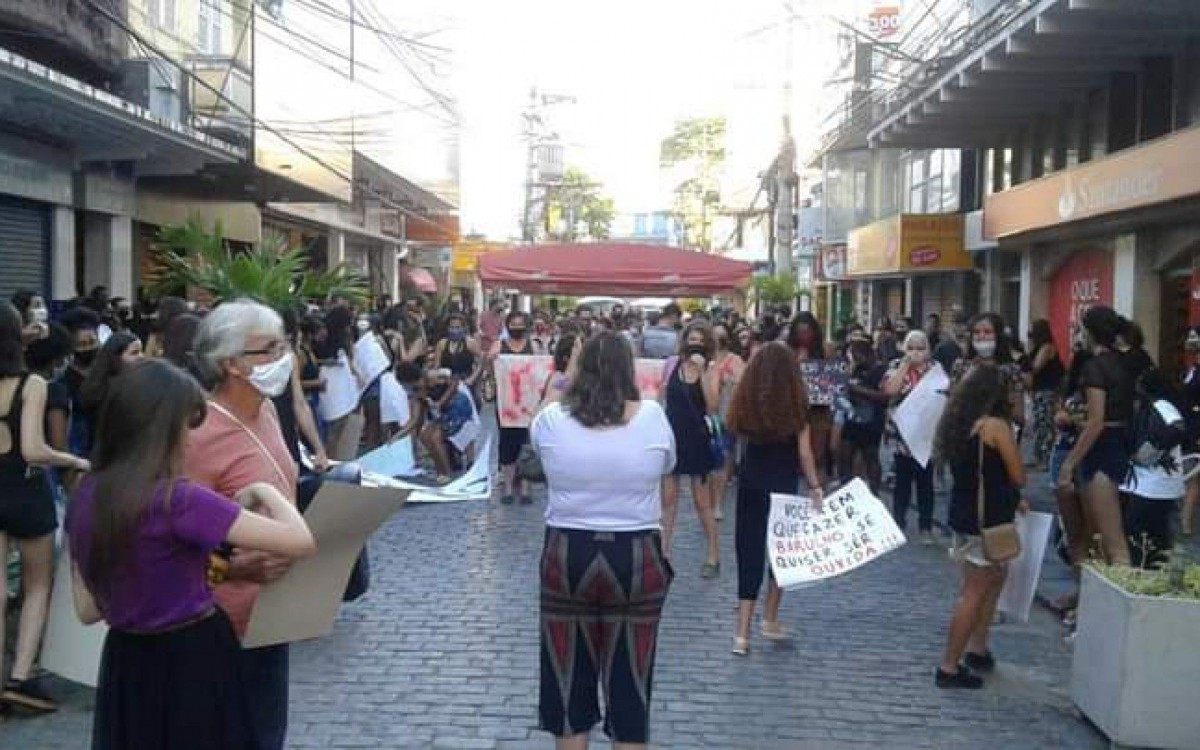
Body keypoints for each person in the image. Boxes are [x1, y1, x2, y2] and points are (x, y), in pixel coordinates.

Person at [65, 359, 315, 749]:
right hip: (195, 657)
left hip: (128, 663)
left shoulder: (87, 495)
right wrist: (264, 492)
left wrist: (219, 549)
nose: (189, 441)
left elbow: (88, 609)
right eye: (185, 428)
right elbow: (300, 540)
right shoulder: (179, 500)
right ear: (163, 432)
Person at [530, 332, 675, 749]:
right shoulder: (651, 417)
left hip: (567, 554)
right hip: (634, 554)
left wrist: (565, 376)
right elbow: (668, 465)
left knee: (567, 685)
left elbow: (535, 432)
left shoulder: (554, 421)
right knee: (631, 687)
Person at [186, 300, 303, 750]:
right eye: (270, 349)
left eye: (283, 345)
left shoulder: (268, 412)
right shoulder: (197, 435)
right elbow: (176, 548)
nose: (284, 357)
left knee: (267, 733)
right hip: (222, 624)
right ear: (231, 364)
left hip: (275, 613)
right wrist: (238, 570)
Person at [0, 302, 91, 712]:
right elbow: (35, 450)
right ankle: (21, 677)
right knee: (38, 587)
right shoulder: (32, 383)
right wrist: (74, 460)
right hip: (27, 491)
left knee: (0, 591)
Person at [725, 342, 823, 655]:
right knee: (781, 554)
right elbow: (805, 453)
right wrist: (816, 486)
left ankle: (741, 634)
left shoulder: (746, 402)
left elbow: (734, 443)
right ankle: (770, 617)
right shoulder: (796, 406)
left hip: (751, 484)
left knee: (748, 552)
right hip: (783, 487)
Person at [935, 364, 1026, 689]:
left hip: (965, 513)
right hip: (987, 519)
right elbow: (1018, 475)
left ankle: (977, 647)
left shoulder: (958, 422)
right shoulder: (995, 427)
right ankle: (949, 665)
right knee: (974, 591)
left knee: (990, 579)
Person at [1056, 306, 1132, 566]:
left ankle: (1114, 603)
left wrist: (1069, 463)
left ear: (1089, 332)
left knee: (1110, 542)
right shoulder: (1124, 362)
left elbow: (1096, 420)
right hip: (1118, 443)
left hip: (1101, 450)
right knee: (1099, 538)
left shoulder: (1095, 368)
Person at [661, 321, 722, 576]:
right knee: (668, 498)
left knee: (701, 501)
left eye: (700, 339)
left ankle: (713, 554)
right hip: (672, 437)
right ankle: (663, 552)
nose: (694, 343)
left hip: (696, 439)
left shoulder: (710, 368)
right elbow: (662, 396)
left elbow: (712, 407)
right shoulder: (672, 364)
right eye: (691, 338)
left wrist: (703, 373)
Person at [1120, 367, 1186, 569]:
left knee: (1143, 538)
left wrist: (1149, 451)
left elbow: (1176, 429)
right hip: (1154, 484)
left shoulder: (1161, 405)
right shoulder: (1157, 406)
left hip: (1153, 486)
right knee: (1154, 538)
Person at [883, 330, 939, 545]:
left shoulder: (935, 369)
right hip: (903, 434)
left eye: (921, 347)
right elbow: (890, 390)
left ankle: (926, 526)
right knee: (902, 482)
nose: (916, 352)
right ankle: (898, 522)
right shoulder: (895, 366)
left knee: (925, 482)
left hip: (927, 434)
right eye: (911, 347)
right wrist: (905, 366)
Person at [494, 311, 537, 505]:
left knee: (527, 443)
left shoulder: (533, 346)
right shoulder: (499, 345)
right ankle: (509, 486)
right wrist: (491, 359)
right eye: (513, 323)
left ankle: (526, 487)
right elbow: (489, 367)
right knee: (507, 443)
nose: (516, 327)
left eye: (520, 324)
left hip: (528, 403)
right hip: (506, 403)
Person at [79, 332, 143, 448]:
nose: (141, 357)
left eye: (140, 352)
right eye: (134, 353)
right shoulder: (111, 391)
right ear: (115, 358)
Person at [840, 339, 888, 493]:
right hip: (853, 418)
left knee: (871, 456)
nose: (854, 358)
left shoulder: (881, 370)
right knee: (845, 455)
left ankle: (874, 492)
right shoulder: (855, 369)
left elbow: (883, 396)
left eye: (856, 354)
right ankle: (846, 488)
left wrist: (857, 389)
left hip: (872, 419)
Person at [708, 322, 745, 522]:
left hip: (724, 416)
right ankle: (708, 501)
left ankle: (717, 504)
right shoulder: (702, 359)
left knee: (721, 461)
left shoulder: (734, 360)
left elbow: (741, 384)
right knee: (708, 464)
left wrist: (728, 381)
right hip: (703, 416)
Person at [59, 306, 102, 458]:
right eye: (82, 344)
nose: (90, 347)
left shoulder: (107, 372)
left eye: (92, 342)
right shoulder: (64, 382)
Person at [1025, 319, 1064, 469]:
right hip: (1039, 389)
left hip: (1047, 389)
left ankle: (1046, 457)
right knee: (1039, 423)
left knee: (1045, 423)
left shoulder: (1047, 347)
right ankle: (1038, 455)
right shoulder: (1036, 347)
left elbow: (1036, 366)